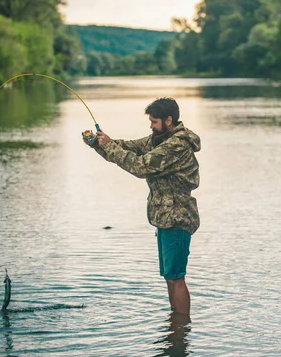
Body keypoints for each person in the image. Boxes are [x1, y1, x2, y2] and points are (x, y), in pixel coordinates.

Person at [84, 98, 200, 315]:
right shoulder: (158, 139)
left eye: (154, 122)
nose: (151, 126)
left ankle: (181, 329)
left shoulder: (176, 145)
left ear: (169, 120)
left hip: (178, 217)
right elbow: (130, 148)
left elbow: (140, 166)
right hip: (165, 218)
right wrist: (100, 143)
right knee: (169, 277)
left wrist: (108, 146)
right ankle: (175, 327)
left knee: (176, 278)